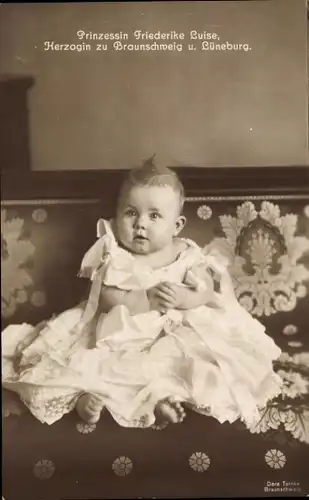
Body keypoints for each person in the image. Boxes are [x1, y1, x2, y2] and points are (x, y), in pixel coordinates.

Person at [2, 158, 283, 429]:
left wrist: (187, 298)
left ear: (177, 226)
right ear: (117, 214)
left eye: (154, 215)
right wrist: (144, 300)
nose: (140, 224)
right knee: (94, 365)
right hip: (119, 331)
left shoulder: (185, 253)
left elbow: (206, 288)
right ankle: (84, 398)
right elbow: (104, 297)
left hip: (173, 330)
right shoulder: (115, 254)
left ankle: (161, 399)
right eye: (131, 212)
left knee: (191, 363)